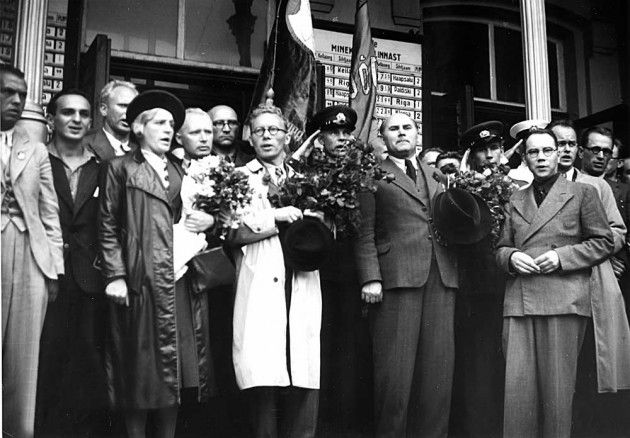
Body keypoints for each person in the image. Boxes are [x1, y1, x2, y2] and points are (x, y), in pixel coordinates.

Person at [496, 126, 629, 438]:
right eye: (532, 152)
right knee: (517, 397)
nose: (540, 158)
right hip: (520, 301)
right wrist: (511, 257)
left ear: (559, 154)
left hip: (564, 300)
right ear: (525, 158)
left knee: (557, 399)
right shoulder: (514, 198)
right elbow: (499, 248)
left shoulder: (585, 193)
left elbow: (603, 242)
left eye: (546, 151)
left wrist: (563, 258)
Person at [99, 90, 215, 438]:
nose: (168, 130)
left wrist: (209, 222)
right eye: (160, 123)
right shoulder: (120, 168)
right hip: (140, 282)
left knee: (174, 372)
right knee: (140, 370)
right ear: (138, 128)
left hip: (177, 280)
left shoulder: (181, 171)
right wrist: (116, 276)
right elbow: (106, 226)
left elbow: (193, 218)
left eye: (171, 125)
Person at [355, 112, 458, 437]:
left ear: (417, 134)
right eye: (393, 129)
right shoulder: (371, 175)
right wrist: (370, 276)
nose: (401, 133)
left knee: (438, 376)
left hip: (441, 278)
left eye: (407, 127)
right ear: (383, 138)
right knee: (394, 378)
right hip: (396, 279)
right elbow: (363, 232)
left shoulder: (437, 175)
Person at [229, 97, 324, 438]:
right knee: (264, 380)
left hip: (300, 277)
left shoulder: (309, 178)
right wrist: (275, 217)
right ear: (250, 138)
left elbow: (332, 230)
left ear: (288, 136)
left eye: (274, 130)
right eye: (259, 131)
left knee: (302, 373)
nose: (267, 136)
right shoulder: (240, 176)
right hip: (261, 280)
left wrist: (318, 222)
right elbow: (230, 230)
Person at [34, 89, 109, 435]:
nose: (77, 119)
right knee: (42, 361)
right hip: (44, 274)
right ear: (51, 119)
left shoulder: (103, 168)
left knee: (86, 367)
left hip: (88, 279)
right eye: (68, 112)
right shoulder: (36, 160)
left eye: (83, 114)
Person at [1, 64, 64, 437]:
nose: (16, 101)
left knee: (23, 357)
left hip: (29, 253)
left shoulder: (34, 149)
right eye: (7, 92)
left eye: (21, 95)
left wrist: (53, 269)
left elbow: (49, 212)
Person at [304, 105, 373, 436]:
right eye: (334, 132)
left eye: (347, 132)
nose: (343, 138)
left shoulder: (363, 172)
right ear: (320, 138)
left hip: (348, 276)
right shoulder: (307, 173)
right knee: (318, 350)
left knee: (349, 352)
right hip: (312, 273)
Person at [448, 121, 514, 438]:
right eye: (482, 151)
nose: (489, 156)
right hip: (476, 291)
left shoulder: (516, 187)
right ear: (472, 155)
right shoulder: (461, 189)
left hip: (512, 287)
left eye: (494, 149)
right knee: (477, 364)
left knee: (509, 365)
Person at [83, 80, 138, 161]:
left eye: (133, 107)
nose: (129, 112)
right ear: (104, 109)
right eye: (123, 106)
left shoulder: (142, 151)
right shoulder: (83, 146)